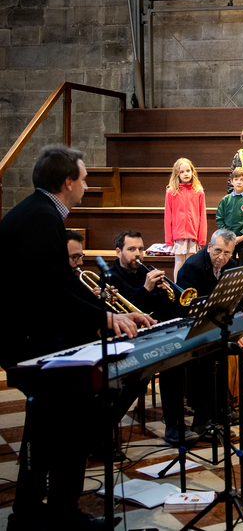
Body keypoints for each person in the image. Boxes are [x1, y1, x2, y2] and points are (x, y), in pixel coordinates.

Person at [0, 145, 152, 531]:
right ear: (67, 182)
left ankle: (31, 513)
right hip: (28, 340)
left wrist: (114, 313)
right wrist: (106, 317)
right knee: (67, 424)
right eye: (83, 179)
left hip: (32, 335)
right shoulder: (41, 217)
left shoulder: (40, 211)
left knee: (48, 427)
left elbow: (63, 284)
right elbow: (49, 291)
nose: (87, 185)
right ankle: (57, 515)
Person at [176, 230, 243, 406]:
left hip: (226, 322)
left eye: (227, 252)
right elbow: (192, 313)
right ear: (209, 247)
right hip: (199, 328)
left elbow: (236, 300)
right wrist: (232, 330)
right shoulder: (192, 267)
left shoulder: (232, 265)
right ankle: (220, 403)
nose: (221, 257)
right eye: (218, 251)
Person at [106, 230, 194, 444]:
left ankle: (175, 425)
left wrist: (166, 293)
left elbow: (163, 311)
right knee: (142, 373)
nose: (138, 254)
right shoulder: (109, 278)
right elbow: (127, 313)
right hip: (125, 340)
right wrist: (146, 289)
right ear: (118, 252)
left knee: (175, 357)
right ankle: (104, 429)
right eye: (131, 249)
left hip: (151, 335)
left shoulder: (146, 271)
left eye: (140, 249)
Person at [164, 157, 208, 280]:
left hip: (193, 235)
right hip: (178, 236)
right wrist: (169, 240)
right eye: (182, 172)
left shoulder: (198, 191)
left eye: (188, 171)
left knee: (191, 264)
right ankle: (177, 287)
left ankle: (189, 288)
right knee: (179, 263)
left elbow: (202, 216)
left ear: (192, 171)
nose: (185, 174)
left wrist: (201, 238)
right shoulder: (171, 192)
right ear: (177, 174)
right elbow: (168, 217)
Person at [216, 167, 243, 268]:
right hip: (228, 240)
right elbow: (219, 218)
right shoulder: (226, 200)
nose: (239, 182)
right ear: (232, 181)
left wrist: (242, 236)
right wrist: (227, 235)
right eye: (236, 179)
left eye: (242, 180)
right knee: (228, 266)